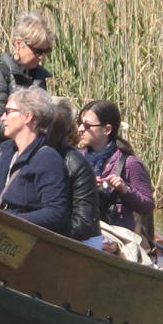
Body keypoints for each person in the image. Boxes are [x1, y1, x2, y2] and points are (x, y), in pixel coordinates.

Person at [0, 11, 56, 205]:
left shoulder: (39, 79)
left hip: (34, 161)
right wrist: (27, 126)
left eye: (46, 52)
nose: (41, 57)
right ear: (19, 43)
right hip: (1, 161)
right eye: (37, 51)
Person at [77, 100, 156, 241]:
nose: (80, 129)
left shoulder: (129, 163)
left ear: (107, 130)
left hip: (120, 238)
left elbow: (147, 206)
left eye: (87, 125)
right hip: (84, 232)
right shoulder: (77, 158)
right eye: (80, 123)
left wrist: (125, 189)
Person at [0, 87, 69, 235]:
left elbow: (56, 212)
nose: (3, 118)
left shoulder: (48, 159)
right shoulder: (7, 153)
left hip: (26, 241)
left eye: (8, 111)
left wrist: (11, 218)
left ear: (28, 116)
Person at [49, 97, 102, 248]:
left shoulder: (75, 163)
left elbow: (84, 224)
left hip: (80, 243)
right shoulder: (25, 154)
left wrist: (46, 233)